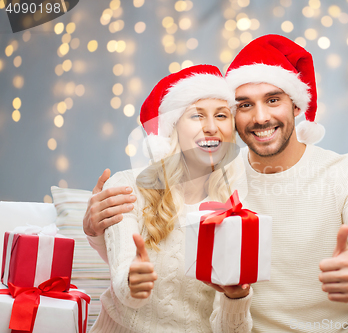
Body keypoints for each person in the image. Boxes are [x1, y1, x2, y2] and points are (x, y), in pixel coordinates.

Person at [85, 35, 348, 333]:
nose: (260, 118)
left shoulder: (341, 172)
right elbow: (158, 239)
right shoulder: (216, 175)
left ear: (296, 106)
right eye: (245, 105)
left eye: (273, 100)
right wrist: (96, 229)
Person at [87, 64, 253, 333]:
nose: (211, 127)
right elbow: (123, 276)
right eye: (197, 116)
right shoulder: (129, 185)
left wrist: (236, 297)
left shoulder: (237, 206)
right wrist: (132, 282)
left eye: (221, 116)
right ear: (173, 127)